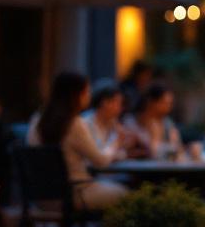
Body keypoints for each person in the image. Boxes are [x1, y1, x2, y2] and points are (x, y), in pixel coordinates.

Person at [26, 72, 128, 210]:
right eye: (86, 91)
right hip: (74, 194)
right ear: (76, 95)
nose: (89, 96)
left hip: (40, 197)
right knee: (126, 194)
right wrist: (116, 141)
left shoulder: (37, 119)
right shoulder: (74, 123)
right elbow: (101, 161)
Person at [126, 82, 182, 159]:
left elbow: (177, 150)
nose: (168, 108)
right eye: (165, 103)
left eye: (170, 104)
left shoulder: (167, 123)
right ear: (151, 102)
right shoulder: (131, 122)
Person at [82, 82, 133, 153]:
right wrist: (118, 142)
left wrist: (125, 143)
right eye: (118, 103)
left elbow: (120, 151)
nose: (120, 108)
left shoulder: (112, 122)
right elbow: (99, 156)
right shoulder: (86, 122)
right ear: (105, 102)